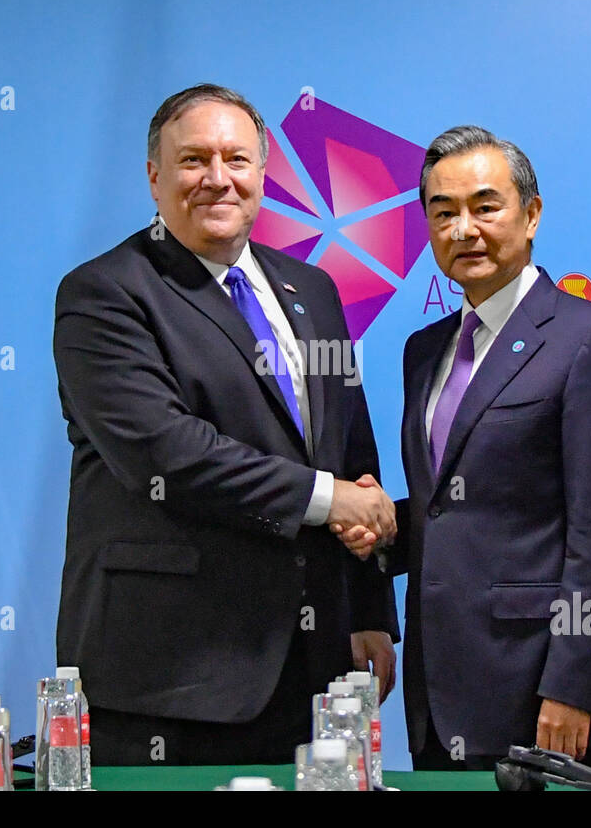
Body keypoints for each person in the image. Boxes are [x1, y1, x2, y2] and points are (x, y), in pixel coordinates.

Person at [52, 84, 398, 766]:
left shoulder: (313, 290)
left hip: (315, 673)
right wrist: (330, 500)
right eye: (193, 160)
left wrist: (368, 613)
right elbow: (165, 454)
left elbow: (352, 452)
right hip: (174, 682)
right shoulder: (105, 293)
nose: (218, 178)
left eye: (236, 159)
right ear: (154, 176)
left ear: (262, 175)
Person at [339, 126, 591, 771]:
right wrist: (383, 527)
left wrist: (572, 684)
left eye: (486, 206)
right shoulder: (423, 350)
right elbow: (455, 505)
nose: (464, 229)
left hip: (540, 689)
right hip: (438, 689)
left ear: (531, 214)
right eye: (443, 212)